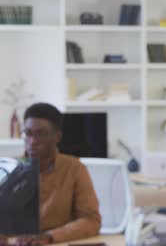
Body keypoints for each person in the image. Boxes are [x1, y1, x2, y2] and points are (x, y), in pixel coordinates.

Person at [1, 103, 101, 246]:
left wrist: (49, 237)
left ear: (57, 137)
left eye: (41, 134)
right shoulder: (8, 169)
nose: (33, 141)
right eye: (28, 133)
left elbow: (91, 221)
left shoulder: (74, 169)